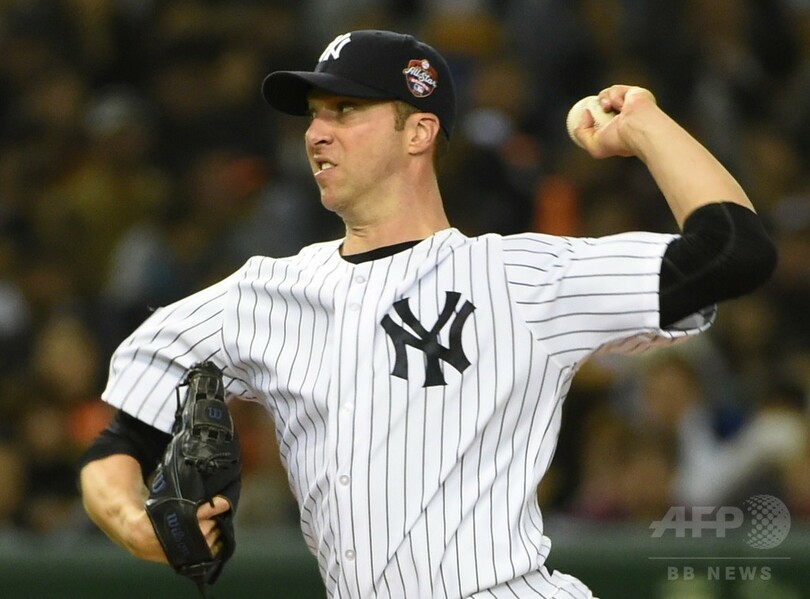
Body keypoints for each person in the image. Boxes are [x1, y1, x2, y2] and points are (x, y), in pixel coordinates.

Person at [79, 29, 777, 598]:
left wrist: (648, 127)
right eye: (314, 114)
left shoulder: (518, 276)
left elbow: (733, 252)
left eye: (344, 111)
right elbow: (119, 441)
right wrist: (135, 523)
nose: (316, 133)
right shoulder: (262, 293)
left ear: (418, 131)